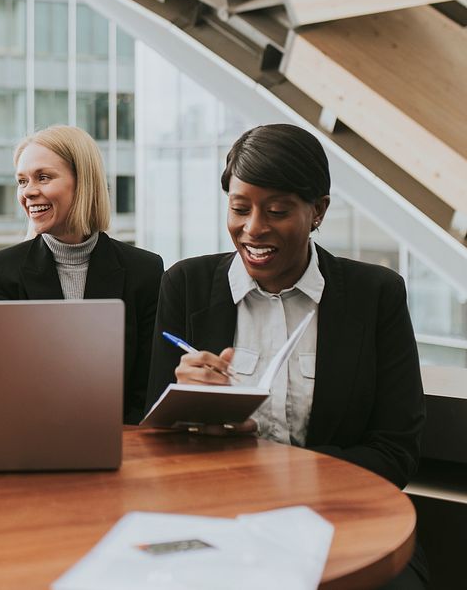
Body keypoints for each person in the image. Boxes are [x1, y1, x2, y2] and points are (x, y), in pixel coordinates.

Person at [144, 123, 427, 587]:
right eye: (239, 209)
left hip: (341, 518)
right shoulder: (185, 285)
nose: (253, 229)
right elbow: (150, 444)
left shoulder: (375, 294)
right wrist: (183, 407)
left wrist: (280, 478)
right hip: (217, 520)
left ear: (318, 211)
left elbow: (396, 452)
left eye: (277, 211)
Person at [0, 125, 164, 422]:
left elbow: (148, 385)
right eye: (22, 181)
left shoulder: (145, 269)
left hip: (124, 442)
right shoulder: (0, 270)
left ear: (84, 182)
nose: (28, 192)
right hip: (32, 441)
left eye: (43, 177)